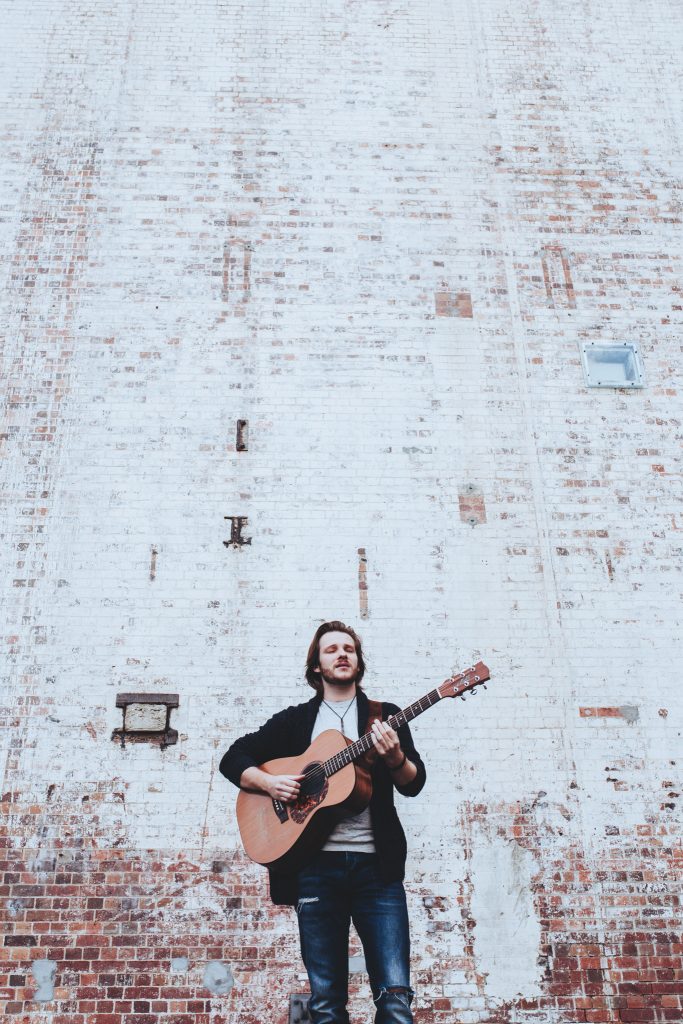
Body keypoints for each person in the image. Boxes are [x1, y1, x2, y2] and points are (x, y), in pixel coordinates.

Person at [220, 620, 426, 1024]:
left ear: (359, 661)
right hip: (316, 869)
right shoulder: (295, 721)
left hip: (377, 870)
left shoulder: (385, 717)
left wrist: (395, 758)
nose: (342, 654)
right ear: (317, 666)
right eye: (331, 650)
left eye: (349, 648)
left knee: (396, 997)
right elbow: (234, 758)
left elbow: (413, 784)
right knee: (327, 1002)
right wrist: (270, 782)